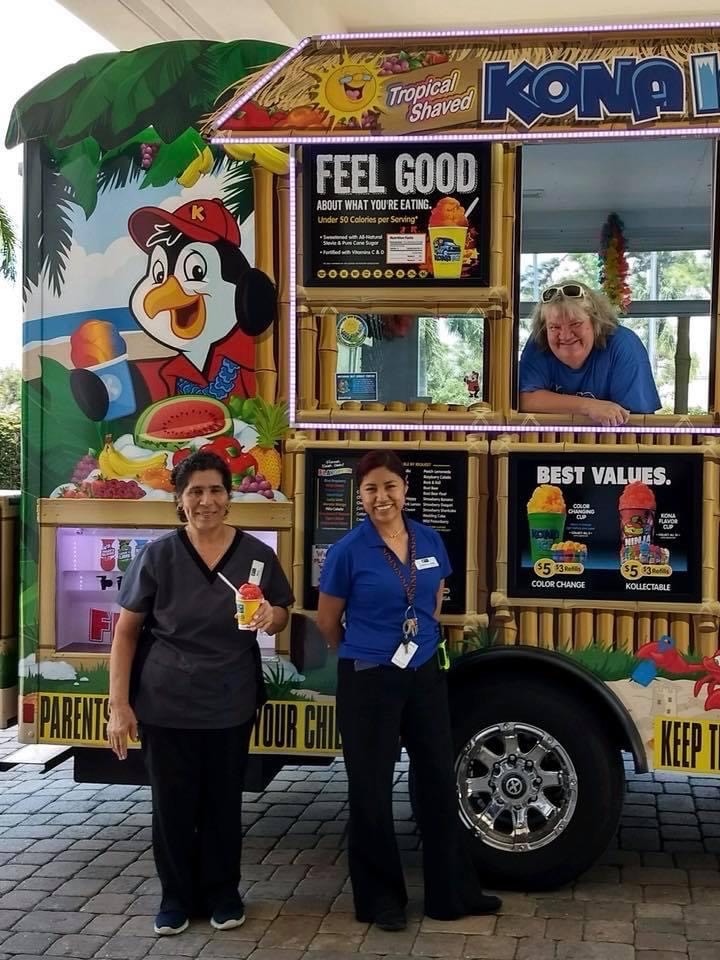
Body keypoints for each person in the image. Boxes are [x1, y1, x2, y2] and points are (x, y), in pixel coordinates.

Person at [107, 450, 294, 937]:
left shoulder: (256, 555)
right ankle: (175, 897)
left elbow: (281, 613)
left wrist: (271, 616)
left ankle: (223, 893)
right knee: (171, 807)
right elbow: (125, 633)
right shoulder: (158, 556)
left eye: (215, 490)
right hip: (164, 703)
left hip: (230, 701)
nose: (205, 501)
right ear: (179, 500)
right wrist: (119, 705)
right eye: (195, 492)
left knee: (222, 804)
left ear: (229, 498)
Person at [316, 450, 501, 932]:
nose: (382, 497)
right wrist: (366, 648)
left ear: (405, 490)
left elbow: (434, 598)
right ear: (360, 496)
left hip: (423, 672)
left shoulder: (429, 538)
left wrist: (419, 638)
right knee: (371, 789)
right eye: (371, 489)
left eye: (390, 486)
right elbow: (328, 621)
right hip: (368, 677)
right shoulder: (347, 551)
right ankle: (381, 900)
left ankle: (451, 893)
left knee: (438, 779)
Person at [519, 281, 661, 426]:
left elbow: (637, 422)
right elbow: (524, 399)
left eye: (575, 324)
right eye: (554, 327)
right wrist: (588, 406)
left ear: (595, 322)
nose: (565, 336)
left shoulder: (624, 345)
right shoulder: (539, 341)